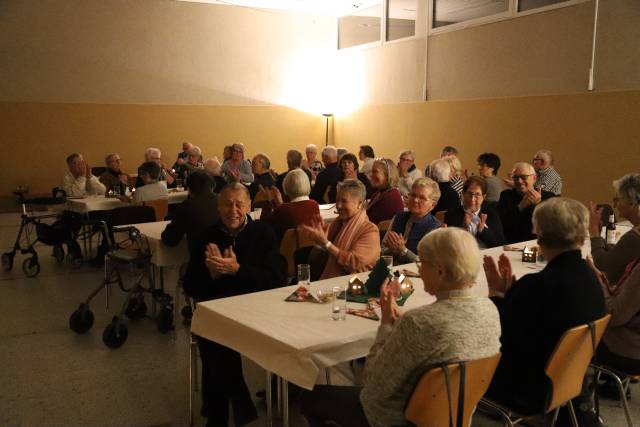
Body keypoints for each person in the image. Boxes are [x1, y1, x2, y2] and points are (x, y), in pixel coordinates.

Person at [301, 227, 501, 427]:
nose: (419, 269)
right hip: (455, 416)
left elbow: (371, 381)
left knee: (311, 397)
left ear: (440, 272)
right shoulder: (490, 309)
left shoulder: (418, 323)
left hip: (393, 419)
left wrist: (387, 324)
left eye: (422, 262)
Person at [484, 197, 606, 416]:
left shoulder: (538, 285)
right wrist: (510, 294)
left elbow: (496, 334)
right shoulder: (589, 275)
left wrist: (496, 294)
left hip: (529, 389)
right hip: (570, 380)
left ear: (538, 231)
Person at [183, 183, 283, 427]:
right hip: (219, 310)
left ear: (249, 206)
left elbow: (277, 280)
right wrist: (211, 274)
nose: (233, 210)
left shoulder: (264, 233)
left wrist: (238, 270)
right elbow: (190, 286)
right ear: (218, 206)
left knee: (217, 345)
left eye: (239, 204)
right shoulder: (205, 237)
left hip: (258, 310)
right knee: (216, 337)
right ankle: (235, 407)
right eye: (227, 204)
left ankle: (220, 412)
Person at [300, 179, 379, 280]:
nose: (338, 206)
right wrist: (319, 243)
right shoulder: (337, 224)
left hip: (355, 287)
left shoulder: (370, 231)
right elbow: (316, 261)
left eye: (344, 201)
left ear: (360, 204)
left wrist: (327, 244)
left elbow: (353, 263)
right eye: (337, 200)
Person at [589, 173, 640, 283]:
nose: (615, 205)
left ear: (631, 203)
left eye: (617, 199)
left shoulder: (634, 237)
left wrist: (594, 232)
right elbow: (620, 256)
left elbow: (603, 264)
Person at [382, 178, 441, 264]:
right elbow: (382, 250)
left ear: (432, 205)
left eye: (422, 198)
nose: (415, 200)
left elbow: (427, 264)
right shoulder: (398, 217)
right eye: (413, 195)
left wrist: (403, 251)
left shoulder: (435, 228)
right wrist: (392, 250)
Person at [497, 162, 555, 244]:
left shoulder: (549, 197)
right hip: (513, 243)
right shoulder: (506, 195)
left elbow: (552, 225)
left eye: (524, 177)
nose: (519, 181)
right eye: (515, 177)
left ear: (534, 178)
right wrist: (521, 206)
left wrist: (538, 205)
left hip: (540, 243)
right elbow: (502, 225)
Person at [259, 168, 320, 243]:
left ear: (286, 186)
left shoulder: (284, 209)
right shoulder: (314, 205)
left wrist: (268, 201)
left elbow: (264, 226)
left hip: (285, 250)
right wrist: (279, 203)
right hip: (308, 250)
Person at [161, 170, 219, 247]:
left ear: (189, 189)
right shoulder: (224, 200)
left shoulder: (187, 206)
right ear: (213, 186)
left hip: (200, 255)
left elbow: (170, 240)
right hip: (228, 253)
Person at [445, 176, 505, 248]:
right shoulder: (451, 214)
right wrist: (464, 228)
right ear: (463, 194)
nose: (472, 199)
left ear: (484, 197)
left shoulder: (491, 214)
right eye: (469, 194)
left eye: (477, 195)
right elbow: (450, 244)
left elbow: (500, 244)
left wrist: (482, 231)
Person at [366, 158, 404, 225]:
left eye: (375, 172)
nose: (371, 175)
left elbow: (375, 222)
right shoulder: (378, 193)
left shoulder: (391, 197)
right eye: (372, 172)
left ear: (387, 175)